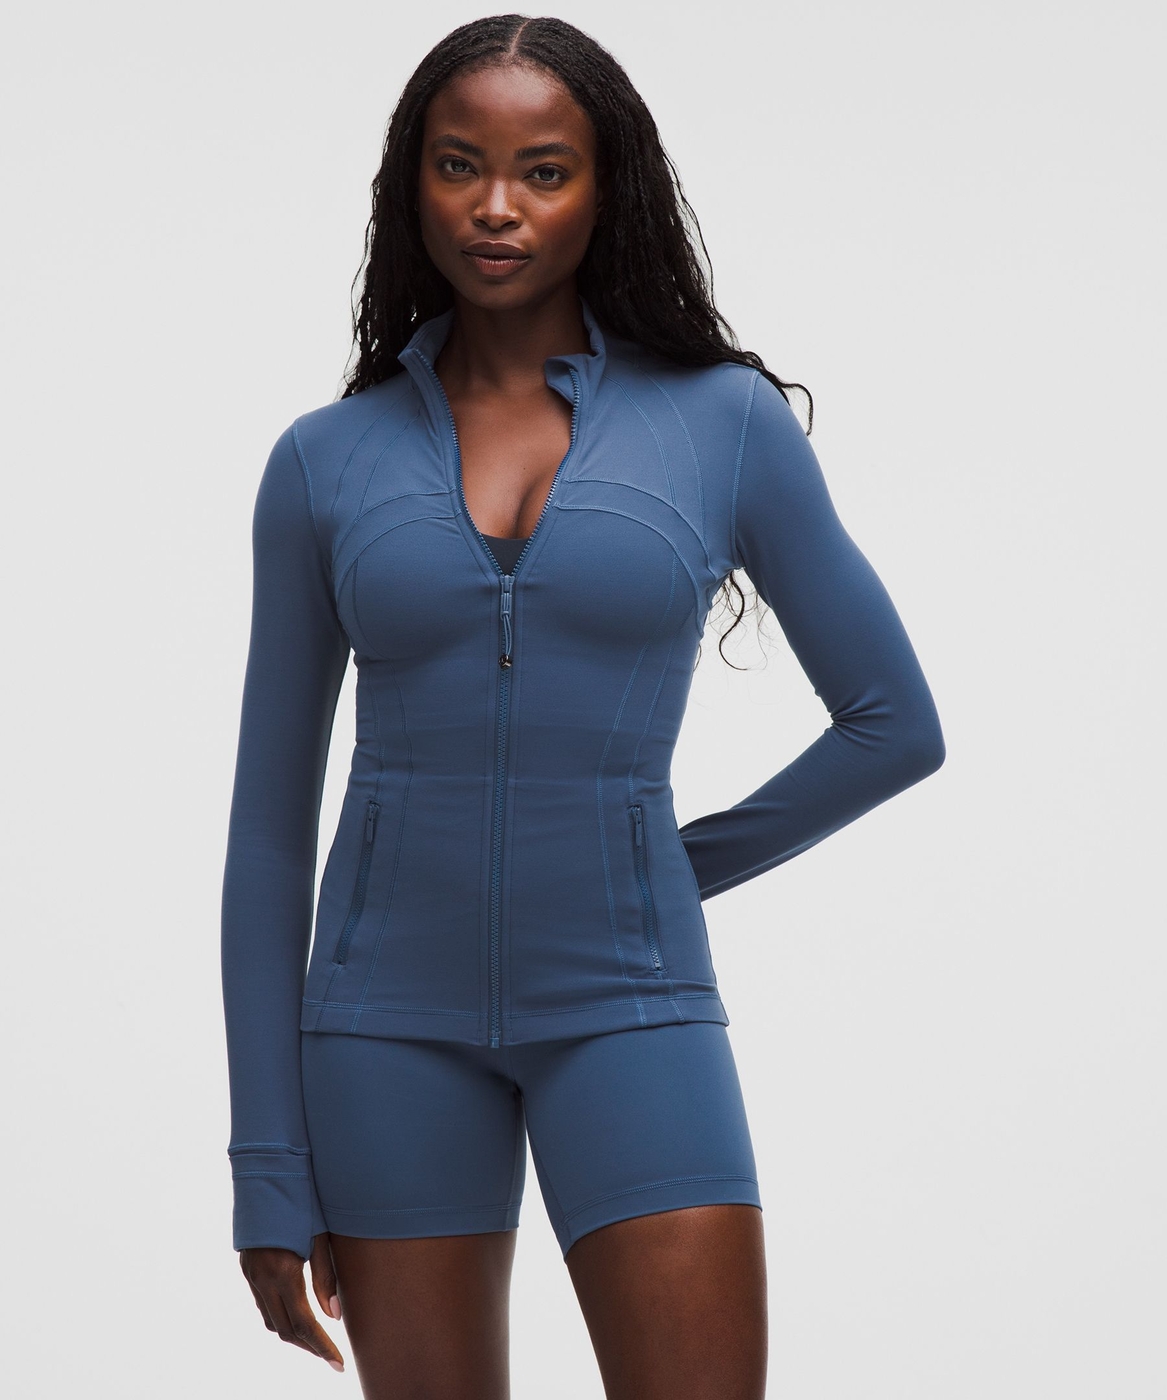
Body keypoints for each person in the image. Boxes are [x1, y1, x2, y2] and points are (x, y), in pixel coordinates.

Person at [220, 14, 946, 1398]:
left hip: (631, 1005)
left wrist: (664, 860)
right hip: (382, 1029)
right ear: (412, 184)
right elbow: (266, 834)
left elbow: (894, 724)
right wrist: (266, 1161)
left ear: (607, 190)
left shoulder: (723, 423)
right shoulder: (322, 462)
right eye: (459, 165)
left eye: (543, 170)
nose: (495, 205)